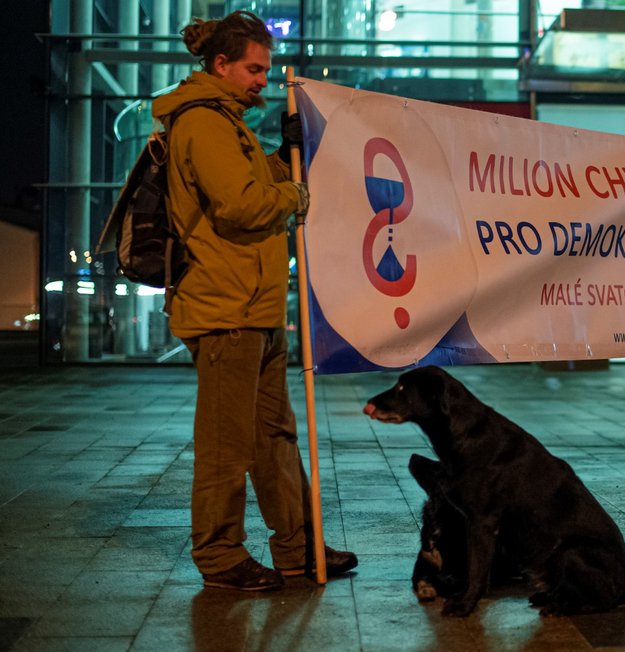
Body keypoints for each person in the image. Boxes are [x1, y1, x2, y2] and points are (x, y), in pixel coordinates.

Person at [154, 10, 357, 591]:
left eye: (265, 70)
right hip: (225, 310)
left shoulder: (229, 123)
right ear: (220, 64)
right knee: (227, 445)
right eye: (253, 69)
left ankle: (297, 547)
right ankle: (220, 557)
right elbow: (240, 207)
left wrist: (277, 158)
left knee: (273, 436)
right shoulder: (202, 122)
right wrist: (295, 192)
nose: (261, 81)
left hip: (255, 309)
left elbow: (247, 189)